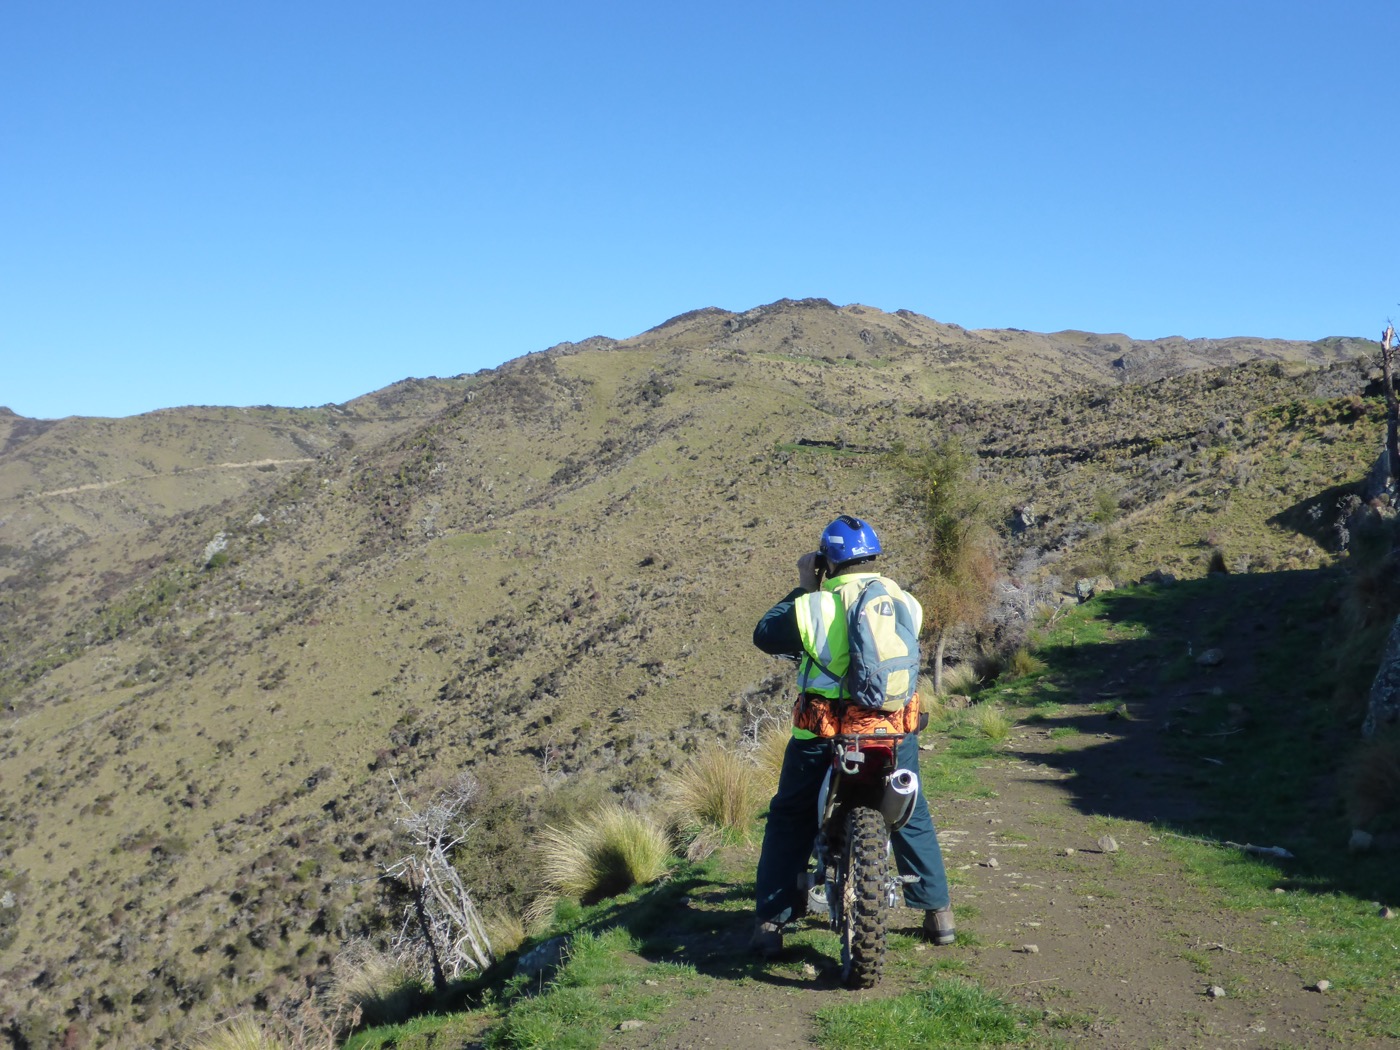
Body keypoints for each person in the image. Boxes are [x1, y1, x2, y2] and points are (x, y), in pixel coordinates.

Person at [750, 514, 954, 957]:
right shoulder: (906, 602)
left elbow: (765, 634)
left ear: (829, 561)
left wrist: (806, 584)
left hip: (824, 735)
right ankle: (939, 913)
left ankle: (771, 922)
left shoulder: (814, 606)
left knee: (790, 815)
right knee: (910, 810)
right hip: (892, 731)